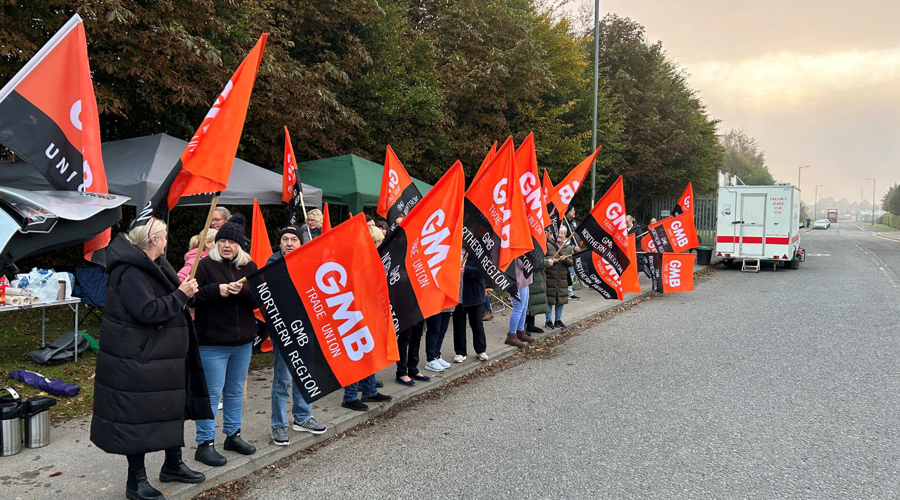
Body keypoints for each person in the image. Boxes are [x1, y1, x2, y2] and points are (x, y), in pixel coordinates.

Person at [91, 218, 211, 500]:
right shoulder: (131, 270)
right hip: (138, 359)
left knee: (171, 410)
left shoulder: (156, 264)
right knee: (137, 419)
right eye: (165, 236)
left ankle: (173, 464)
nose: (168, 240)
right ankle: (136, 482)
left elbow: (173, 296)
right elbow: (147, 311)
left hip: (162, 358)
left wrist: (186, 294)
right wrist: (181, 294)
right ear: (154, 239)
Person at [192, 221, 259, 466]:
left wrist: (240, 291)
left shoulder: (249, 266)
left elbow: (258, 300)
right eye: (222, 241)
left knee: (234, 391)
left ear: (240, 245)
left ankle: (233, 435)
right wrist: (215, 290)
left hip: (242, 342)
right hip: (212, 343)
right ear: (216, 243)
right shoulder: (205, 266)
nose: (226, 246)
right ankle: (205, 443)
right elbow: (190, 298)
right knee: (211, 394)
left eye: (231, 242)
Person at [267, 226, 327, 446]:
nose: (289, 243)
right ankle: (278, 425)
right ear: (280, 243)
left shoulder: (309, 261)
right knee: (282, 379)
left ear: (301, 243)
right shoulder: (272, 265)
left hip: (307, 329)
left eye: (294, 239)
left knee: (305, 376)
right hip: (284, 332)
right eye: (285, 239)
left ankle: (302, 417)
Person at [341, 225, 392, 411]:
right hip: (356, 314)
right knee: (356, 355)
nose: (380, 244)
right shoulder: (357, 261)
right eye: (377, 241)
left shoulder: (372, 259)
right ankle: (350, 396)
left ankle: (369, 390)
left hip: (371, 312)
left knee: (370, 351)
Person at [453, 253, 488, 362]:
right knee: (459, 325)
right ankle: (460, 352)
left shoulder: (477, 253)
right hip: (457, 296)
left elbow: (483, 272)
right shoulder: (453, 252)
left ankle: (480, 350)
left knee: (477, 324)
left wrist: (467, 270)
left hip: (474, 295)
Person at [545, 227, 573, 330]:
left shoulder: (568, 248)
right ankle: (548, 320)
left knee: (560, 300)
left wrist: (565, 260)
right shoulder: (548, 245)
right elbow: (544, 258)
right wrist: (553, 260)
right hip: (550, 277)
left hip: (562, 278)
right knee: (550, 299)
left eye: (562, 233)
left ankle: (558, 320)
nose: (560, 235)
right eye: (558, 233)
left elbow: (571, 263)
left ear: (565, 235)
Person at [506, 257, 534, 348]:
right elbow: (523, 264)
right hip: (518, 282)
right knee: (518, 308)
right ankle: (512, 335)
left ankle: (521, 332)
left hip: (524, 281)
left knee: (524, 307)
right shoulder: (518, 249)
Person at [525, 252, 550, 334]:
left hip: (535, 278)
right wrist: (546, 262)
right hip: (528, 278)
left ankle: (530, 325)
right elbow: (531, 261)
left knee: (533, 302)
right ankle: (520, 328)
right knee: (526, 304)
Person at [423, 307, 453, 373]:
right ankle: (430, 359)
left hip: (446, 304)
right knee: (434, 330)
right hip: (433, 304)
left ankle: (436, 355)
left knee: (442, 329)